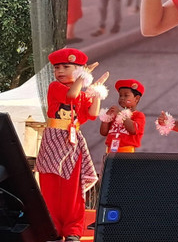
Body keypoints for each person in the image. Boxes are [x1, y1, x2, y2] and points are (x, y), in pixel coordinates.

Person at [35, 48, 109, 242]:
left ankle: (72, 230)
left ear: (78, 69)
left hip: (72, 142)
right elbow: (71, 95)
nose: (60, 71)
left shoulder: (79, 92)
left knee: (73, 190)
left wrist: (96, 92)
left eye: (66, 67)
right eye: (57, 67)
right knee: (50, 187)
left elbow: (92, 113)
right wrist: (84, 78)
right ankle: (52, 227)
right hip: (53, 141)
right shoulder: (55, 87)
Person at [99, 79, 145, 153]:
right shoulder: (115, 115)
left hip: (126, 153)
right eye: (120, 95)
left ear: (136, 98)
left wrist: (120, 114)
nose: (122, 98)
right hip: (110, 151)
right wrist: (106, 117)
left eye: (126, 95)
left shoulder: (138, 115)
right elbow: (103, 132)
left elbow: (133, 130)